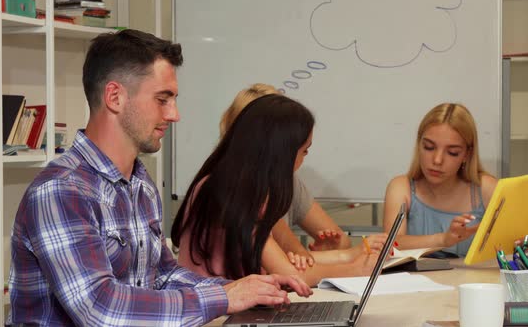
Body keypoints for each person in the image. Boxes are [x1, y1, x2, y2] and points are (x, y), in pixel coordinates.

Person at [7, 29, 312, 327]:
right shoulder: (62, 190)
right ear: (115, 96)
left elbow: (163, 275)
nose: (174, 114)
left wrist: (245, 289)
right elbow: (100, 309)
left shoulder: (140, 185)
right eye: (162, 99)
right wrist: (223, 298)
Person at [171, 94, 381, 287]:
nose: (303, 159)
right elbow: (292, 276)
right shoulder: (233, 196)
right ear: (281, 153)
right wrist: (356, 269)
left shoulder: (244, 188)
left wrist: (353, 256)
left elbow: (288, 259)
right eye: (304, 151)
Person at [219, 83, 386, 270]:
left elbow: (298, 257)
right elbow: (289, 271)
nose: (300, 157)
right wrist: (355, 266)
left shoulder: (280, 184)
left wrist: (345, 255)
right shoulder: (233, 191)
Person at [383, 103, 498, 257]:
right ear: (419, 145)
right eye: (429, 147)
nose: (437, 160)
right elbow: (391, 245)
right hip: (413, 281)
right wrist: (443, 239)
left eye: (452, 152)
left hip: (473, 282)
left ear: (467, 154)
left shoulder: (486, 189)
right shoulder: (401, 188)